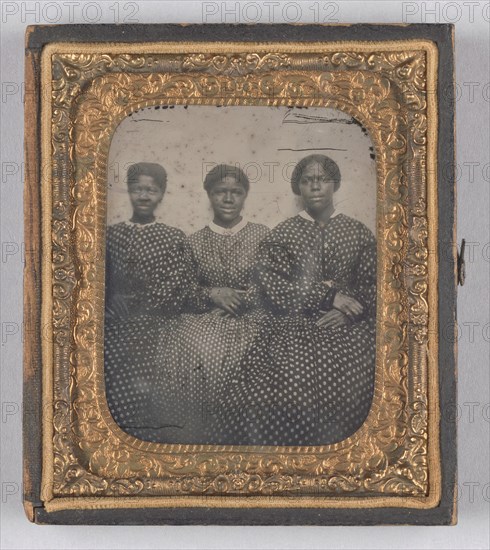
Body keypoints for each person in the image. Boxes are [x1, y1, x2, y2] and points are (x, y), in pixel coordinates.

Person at [214, 154, 377, 446]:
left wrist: (349, 312)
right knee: (278, 384)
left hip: (350, 328)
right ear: (298, 188)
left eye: (322, 179)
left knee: (357, 383)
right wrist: (329, 296)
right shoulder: (284, 233)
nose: (315, 187)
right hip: (294, 323)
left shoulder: (358, 232)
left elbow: (375, 283)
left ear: (335, 184)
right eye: (307, 180)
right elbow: (273, 284)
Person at [152, 164, 270, 444]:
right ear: (209, 195)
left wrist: (241, 299)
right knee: (188, 342)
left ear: (245, 196)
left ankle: (232, 436)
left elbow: (272, 282)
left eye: (236, 192)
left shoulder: (263, 235)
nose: (228, 199)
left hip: (252, 316)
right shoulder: (193, 241)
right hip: (206, 316)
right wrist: (213, 294)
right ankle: (196, 435)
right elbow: (184, 289)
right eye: (220, 192)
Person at [104, 162, 189, 441]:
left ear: (162, 194)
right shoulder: (111, 235)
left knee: (154, 372)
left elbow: (175, 286)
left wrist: (139, 301)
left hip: (156, 321)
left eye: (151, 190)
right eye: (138, 188)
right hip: (114, 320)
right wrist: (112, 296)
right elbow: (96, 276)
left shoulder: (172, 237)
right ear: (129, 191)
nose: (144, 196)